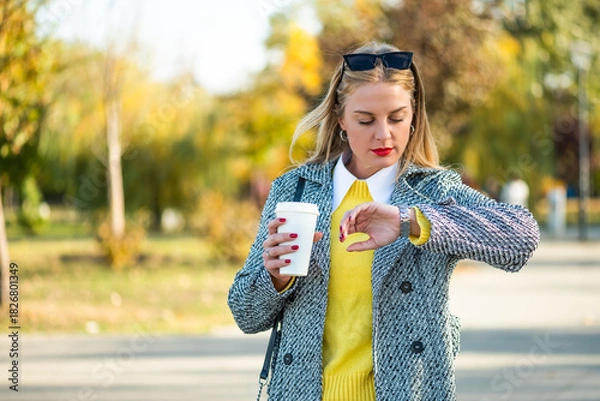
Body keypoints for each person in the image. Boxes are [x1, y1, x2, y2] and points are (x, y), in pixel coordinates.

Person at [228, 41, 540, 401]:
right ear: (341, 118)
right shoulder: (294, 190)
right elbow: (245, 315)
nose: (383, 134)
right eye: (365, 120)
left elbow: (521, 237)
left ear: (414, 116)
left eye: (396, 118)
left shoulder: (433, 192)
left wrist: (413, 221)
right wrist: (275, 278)